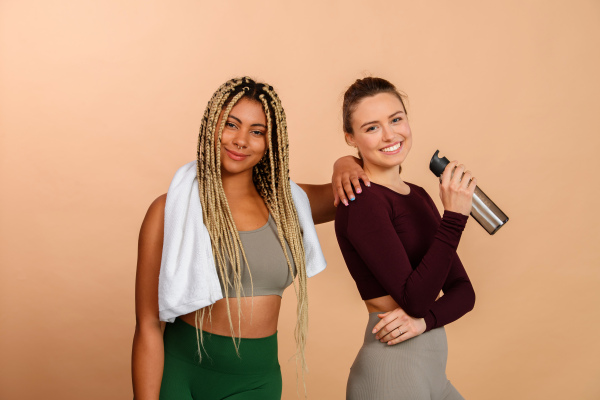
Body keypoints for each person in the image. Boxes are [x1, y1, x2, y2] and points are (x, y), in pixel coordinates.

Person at [132, 77, 366, 400]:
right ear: (212, 126)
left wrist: (346, 161)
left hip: (257, 383)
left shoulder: (287, 204)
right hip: (181, 375)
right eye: (231, 124)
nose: (241, 140)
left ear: (271, 142)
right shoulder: (169, 210)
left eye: (256, 131)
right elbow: (146, 326)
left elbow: (362, 186)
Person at [335, 77, 477, 400]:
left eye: (396, 119)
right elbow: (414, 300)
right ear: (350, 137)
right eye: (372, 128)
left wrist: (425, 322)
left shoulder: (420, 195)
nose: (390, 135)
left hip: (431, 371)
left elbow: (464, 292)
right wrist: (453, 218)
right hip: (391, 372)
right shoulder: (362, 201)